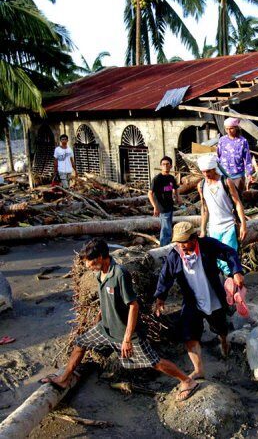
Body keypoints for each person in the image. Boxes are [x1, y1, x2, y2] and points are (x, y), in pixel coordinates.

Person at [39, 239, 199, 401]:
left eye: (91, 262)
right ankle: (64, 378)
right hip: (106, 327)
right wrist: (100, 317)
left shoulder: (119, 274)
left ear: (101, 257)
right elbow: (106, 298)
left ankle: (187, 381)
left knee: (154, 361)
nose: (88, 266)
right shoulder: (99, 273)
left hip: (125, 332)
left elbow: (133, 306)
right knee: (81, 343)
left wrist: (127, 339)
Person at [154, 222, 245, 380]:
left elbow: (229, 252)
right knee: (189, 334)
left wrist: (236, 271)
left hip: (213, 298)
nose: (182, 246)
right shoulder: (175, 255)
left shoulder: (207, 245)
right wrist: (160, 297)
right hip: (192, 301)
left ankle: (224, 341)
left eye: (185, 241)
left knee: (221, 328)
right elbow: (165, 276)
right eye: (178, 242)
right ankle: (199, 369)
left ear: (194, 238)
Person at [197, 154, 247, 276]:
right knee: (217, 260)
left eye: (208, 171)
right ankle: (223, 289)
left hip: (229, 226)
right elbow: (204, 208)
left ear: (214, 169)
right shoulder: (201, 185)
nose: (206, 174)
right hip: (213, 228)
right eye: (203, 172)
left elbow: (237, 203)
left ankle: (234, 286)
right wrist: (203, 230)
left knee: (230, 258)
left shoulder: (226, 181)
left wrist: (243, 225)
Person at [148, 156, 182, 246]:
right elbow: (150, 193)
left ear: (171, 166)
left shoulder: (171, 178)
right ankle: (164, 248)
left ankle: (166, 246)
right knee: (166, 229)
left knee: (167, 227)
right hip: (162, 207)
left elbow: (175, 188)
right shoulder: (157, 179)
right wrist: (155, 206)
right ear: (160, 166)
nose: (165, 166)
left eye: (167, 164)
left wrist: (178, 197)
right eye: (163, 164)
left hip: (170, 205)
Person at [216, 117, 255, 194]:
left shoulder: (242, 141)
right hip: (224, 174)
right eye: (227, 129)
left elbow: (247, 159)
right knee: (226, 196)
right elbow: (218, 157)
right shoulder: (222, 140)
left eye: (231, 128)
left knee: (238, 196)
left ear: (236, 128)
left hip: (238, 175)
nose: (229, 131)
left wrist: (249, 173)